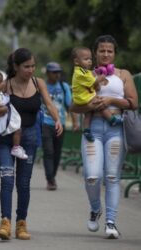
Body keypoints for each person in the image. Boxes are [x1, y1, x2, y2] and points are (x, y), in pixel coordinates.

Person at [70, 35, 138, 239]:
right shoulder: (85, 73)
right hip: (94, 129)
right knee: (92, 176)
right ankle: (95, 208)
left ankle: (111, 221)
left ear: (114, 53)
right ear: (95, 53)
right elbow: (73, 105)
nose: (106, 54)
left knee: (111, 176)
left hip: (116, 129)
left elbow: (134, 103)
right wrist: (90, 105)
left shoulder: (123, 74)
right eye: (102, 51)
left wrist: (110, 100)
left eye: (109, 51)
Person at [0, 48, 63, 240]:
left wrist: (57, 120)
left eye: (33, 66)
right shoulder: (5, 86)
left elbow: (48, 103)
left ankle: (21, 223)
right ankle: (5, 222)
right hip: (5, 139)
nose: (31, 70)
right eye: (26, 67)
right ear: (16, 67)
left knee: (23, 183)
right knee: (7, 180)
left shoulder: (38, 83)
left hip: (29, 137)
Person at [71, 47, 122, 142]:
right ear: (77, 62)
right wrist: (103, 76)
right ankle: (111, 119)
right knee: (100, 102)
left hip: (83, 96)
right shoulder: (80, 73)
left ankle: (86, 130)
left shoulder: (85, 71)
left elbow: (95, 85)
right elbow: (95, 82)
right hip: (83, 97)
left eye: (90, 59)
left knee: (88, 112)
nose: (89, 61)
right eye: (86, 59)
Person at [41, 62, 78, 190]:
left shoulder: (64, 86)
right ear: (47, 73)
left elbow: (70, 106)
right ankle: (50, 179)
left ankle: (52, 176)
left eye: (59, 72)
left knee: (57, 152)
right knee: (49, 151)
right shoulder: (42, 86)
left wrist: (75, 122)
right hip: (45, 123)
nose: (57, 75)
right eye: (54, 72)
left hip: (59, 124)